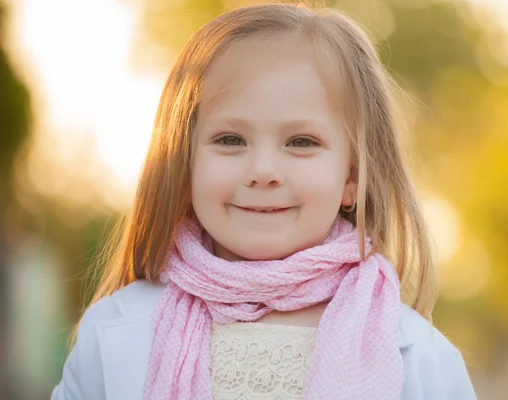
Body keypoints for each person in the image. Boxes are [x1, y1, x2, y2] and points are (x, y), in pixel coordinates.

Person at [51, 3, 477, 399]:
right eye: (230, 139)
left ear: (353, 177)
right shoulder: (112, 332)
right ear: (185, 164)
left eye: (301, 142)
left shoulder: (419, 356)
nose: (263, 170)